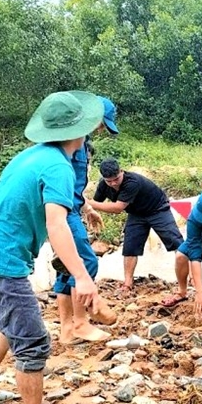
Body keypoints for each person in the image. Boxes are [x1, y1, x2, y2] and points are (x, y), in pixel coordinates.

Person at [0, 90, 103, 404]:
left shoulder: (34, 156)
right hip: (0, 267)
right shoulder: (58, 166)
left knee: (9, 325)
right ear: (82, 131)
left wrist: (85, 207)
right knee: (33, 340)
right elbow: (56, 226)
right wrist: (83, 276)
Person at [54, 96, 119, 344]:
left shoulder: (81, 143)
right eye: (101, 124)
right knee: (85, 263)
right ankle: (81, 322)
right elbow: (60, 182)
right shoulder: (70, 142)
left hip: (71, 207)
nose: (101, 129)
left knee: (66, 268)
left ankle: (67, 332)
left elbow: (74, 184)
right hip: (63, 212)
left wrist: (87, 207)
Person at [88, 158, 184, 291]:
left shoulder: (132, 182)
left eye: (116, 179)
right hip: (136, 213)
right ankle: (127, 283)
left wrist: (88, 203)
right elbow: (96, 202)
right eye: (109, 181)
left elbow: (117, 208)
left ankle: (188, 277)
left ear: (121, 171)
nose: (113, 183)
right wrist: (90, 211)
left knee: (176, 242)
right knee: (130, 246)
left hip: (157, 209)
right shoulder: (104, 185)